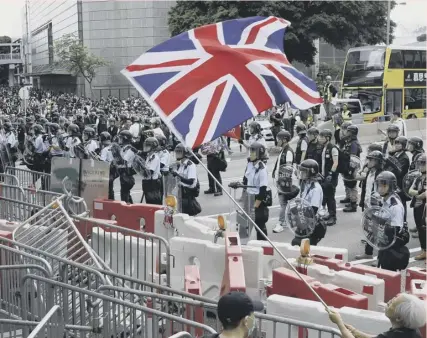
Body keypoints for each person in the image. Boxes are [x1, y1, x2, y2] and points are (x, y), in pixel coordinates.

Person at [373, 171, 410, 271]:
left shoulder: (395, 206)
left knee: (389, 272)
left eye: (383, 185)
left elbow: (396, 230)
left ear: (391, 186)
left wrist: (383, 225)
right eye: (379, 185)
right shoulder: (384, 201)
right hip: (384, 244)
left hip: (392, 246)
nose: (380, 188)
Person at [355, 150, 385, 259]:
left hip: (377, 206)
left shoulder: (381, 174)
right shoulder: (369, 172)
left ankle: (380, 257)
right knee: (369, 229)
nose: (369, 161)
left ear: (377, 161)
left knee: (378, 231)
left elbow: (382, 192)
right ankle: (368, 253)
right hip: (368, 205)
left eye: (371, 159)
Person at [291, 159, 325, 246]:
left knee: (306, 247)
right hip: (303, 220)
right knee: (296, 244)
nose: (301, 173)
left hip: (311, 223)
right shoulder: (305, 184)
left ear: (311, 172)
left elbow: (313, 210)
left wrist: (298, 211)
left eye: (304, 171)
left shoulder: (315, 188)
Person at [243, 142, 271, 240]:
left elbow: (262, 191)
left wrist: (254, 207)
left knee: (259, 227)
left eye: (253, 152)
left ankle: (263, 247)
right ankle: (243, 244)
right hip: (249, 197)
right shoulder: (250, 164)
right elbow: (246, 180)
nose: (250, 154)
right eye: (250, 152)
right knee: (244, 225)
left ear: (259, 154)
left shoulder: (262, 170)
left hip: (257, 201)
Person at [272, 130, 295, 233]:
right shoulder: (284, 150)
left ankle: (281, 223)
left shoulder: (288, 151)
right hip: (281, 180)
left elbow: (288, 167)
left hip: (285, 181)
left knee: (283, 203)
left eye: (279, 139)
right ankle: (288, 220)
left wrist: (283, 181)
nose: (277, 141)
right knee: (286, 203)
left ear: (284, 140)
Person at [170, 143, 201, 216]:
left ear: (185, 153)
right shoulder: (180, 164)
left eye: (179, 152)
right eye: (176, 152)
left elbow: (190, 182)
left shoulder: (190, 165)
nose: (177, 154)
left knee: (188, 219)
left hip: (188, 194)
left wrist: (178, 176)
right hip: (181, 194)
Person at [318, 129, 338, 226]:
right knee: (325, 196)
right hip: (324, 176)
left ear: (328, 138)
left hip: (330, 177)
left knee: (330, 197)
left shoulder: (333, 148)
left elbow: (336, 162)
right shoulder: (324, 147)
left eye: (322, 137)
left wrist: (330, 174)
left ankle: (333, 217)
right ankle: (329, 214)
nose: (320, 139)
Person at [408, 153, 426, 260]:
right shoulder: (418, 177)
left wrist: (419, 194)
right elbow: (410, 190)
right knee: (420, 229)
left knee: (423, 228)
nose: (421, 165)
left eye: (423, 163)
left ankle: (425, 250)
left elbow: (425, 194)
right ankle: (423, 249)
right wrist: (419, 193)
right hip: (417, 206)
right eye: (420, 163)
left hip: (424, 207)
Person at [341, 125, 362, 213]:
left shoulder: (354, 143)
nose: (346, 133)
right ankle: (350, 199)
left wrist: (350, 169)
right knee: (348, 183)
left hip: (352, 167)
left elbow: (353, 157)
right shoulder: (349, 142)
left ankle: (353, 205)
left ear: (352, 133)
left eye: (348, 131)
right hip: (348, 165)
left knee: (352, 185)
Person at [140, 137, 162, 205]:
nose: (145, 147)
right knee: (149, 203)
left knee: (154, 204)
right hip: (148, 183)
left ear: (153, 147)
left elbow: (149, 172)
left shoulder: (154, 158)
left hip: (153, 184)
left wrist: (141, 168)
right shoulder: (149, 156)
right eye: (145, 145)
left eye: (148, 145)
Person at [99, 131, 115, 200]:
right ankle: (112, 201)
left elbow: (102, 161)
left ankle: (108, 201)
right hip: (113, 169)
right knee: (111, 187)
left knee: (107, 188)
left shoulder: (105, 149)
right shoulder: (113, 147)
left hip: (107, 169)